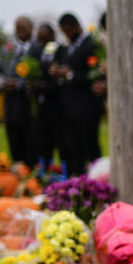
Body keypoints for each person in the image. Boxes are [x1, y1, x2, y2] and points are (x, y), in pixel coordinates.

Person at [50, 13, 102, 175]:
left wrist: (70, 75)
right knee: (73, 146)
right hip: (69, 107)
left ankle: (97, 178)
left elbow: (95, 75)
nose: (66, 34)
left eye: (67, 30)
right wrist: (57, 73)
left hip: (87, 106)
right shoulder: (65, 49)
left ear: (76, 27)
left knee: (90, 145)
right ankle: (77, 178)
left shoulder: (91, 45)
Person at [0, 16, 38, 165]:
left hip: (29, 103)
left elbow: (39, 74)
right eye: (17, 29)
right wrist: (3, 83)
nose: (20, 32)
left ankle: (32, 173)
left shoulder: (37, 48)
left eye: (24, 28)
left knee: (30, 142)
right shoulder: (7, 49)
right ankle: (16, 172)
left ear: (31, 28)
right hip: (11, 105)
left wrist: (18, 84)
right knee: (13, 140)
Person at [32, 23, 65, 167]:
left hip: (57, 107)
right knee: (42, 142)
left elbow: (61, 81)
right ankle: (45, 171)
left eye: (44, 39)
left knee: (61, 141)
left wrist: (45, 86)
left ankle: (64, 172)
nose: (41, 42)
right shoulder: (38, 52)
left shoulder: (61, 51)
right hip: (41, 108)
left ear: (52, 36)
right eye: (39, 39)